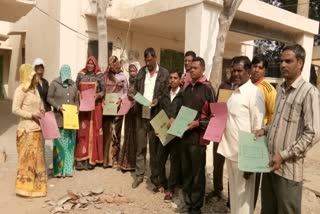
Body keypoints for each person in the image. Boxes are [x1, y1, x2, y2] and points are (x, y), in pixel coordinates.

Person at [255, 44, 320, 214]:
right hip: (269, 166)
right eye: (281, 60)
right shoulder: (281, 89)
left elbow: (312, 133)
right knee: (267, 210)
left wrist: (283, 155)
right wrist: (265, 130)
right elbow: (278, 123)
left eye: (288, 61)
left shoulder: (309, 92)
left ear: (300, 63)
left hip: (288, 171)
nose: (283, 64)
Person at [217, 56, 265, 214]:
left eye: (239, 70)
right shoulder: (234, 92)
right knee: (235, 198)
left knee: (244, 200)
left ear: (249, 71)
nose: (235, 73)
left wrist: (250, 164)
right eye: (233, 70)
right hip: (231, 154)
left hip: (244, 158)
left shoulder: (254, 94)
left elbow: (257, 129)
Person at [177, 57, 216, 214]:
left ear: (203, 70)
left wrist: (198, 123)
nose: (191, 70)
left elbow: (215, 117)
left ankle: (196, 207)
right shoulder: (186, 88)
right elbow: (180, 108)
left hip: (198, 139)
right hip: (184, 137)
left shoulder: (208, 89)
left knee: (197, 174)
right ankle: (188, 202)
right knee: (186, 171)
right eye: (190, 68)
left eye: (195, 68)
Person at [132, 47, 169, 189]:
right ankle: (139, 175)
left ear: (155, 58)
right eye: (146, 60)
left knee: (154, 148)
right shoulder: (141, 72)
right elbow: (135, 89)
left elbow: (167, 92)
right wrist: (135, 96)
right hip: (142, 113)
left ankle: (155, 178)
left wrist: (158, 100)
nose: (148, 63)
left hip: (156, 113)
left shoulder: (164, 73)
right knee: (141, 146)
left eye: (150, 60)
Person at [12, 64, 47, 197]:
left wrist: (42, 109)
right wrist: (31, 115)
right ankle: (24, 189)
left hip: (37, 129)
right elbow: (15, 109)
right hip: (26, 130)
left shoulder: (35, 89)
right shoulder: (21, 90)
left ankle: (37, 189)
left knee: (38, 160)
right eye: (32, 74)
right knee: (26, 160)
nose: (34, 77)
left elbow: (40, 103)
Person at [250, 54, 277, 208]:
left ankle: (251, 207)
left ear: (264, 71)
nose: (256, 70)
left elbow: (274, 114)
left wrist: (264, 130)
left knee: (254, 176)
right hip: (246, 135)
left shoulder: (268, 89)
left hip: (259, 138)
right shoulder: (246, 85)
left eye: (260, 68)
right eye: (254, 66)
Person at [47, 65, 78, 177]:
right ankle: (58, 170)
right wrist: (58, 107)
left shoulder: (73, 84)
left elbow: (76, 100)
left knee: (70, 144)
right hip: (59, 119)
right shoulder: (54, 83)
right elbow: (49, 98)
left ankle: (68, 170)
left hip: (71, 120)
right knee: (59, 144)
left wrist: (77, 109)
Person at [75, 56, 105, 170]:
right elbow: (76, 88)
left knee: (93, 132)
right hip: (83, 108)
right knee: (83, 132)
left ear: (95, 64)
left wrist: (98, 95)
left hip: (95, 108)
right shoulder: (81, 74)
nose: (90, 65)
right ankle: (81, 158)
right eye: (88, 63)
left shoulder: (99, 75)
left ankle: (91, 160)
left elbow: (104, 90)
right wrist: (79, 94)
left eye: (92, 64)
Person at [158, 70, 183, 202]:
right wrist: (157, 126)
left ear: (180, 80)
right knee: (160, 159)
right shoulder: (164, 94)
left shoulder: (183, 95)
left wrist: (175, 120)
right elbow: (159, 111)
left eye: (175, 78)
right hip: (163, 132)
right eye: (171, 78)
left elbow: (184, 113)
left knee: (174, 162)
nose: (172, 80)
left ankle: (171, 189)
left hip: (176, 134)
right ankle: (162, 182)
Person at [103, 56, 128, 168]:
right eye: (111, 64)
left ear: (118, 64)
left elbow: (126, 91)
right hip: (107, 107)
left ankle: (115, 157)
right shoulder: (105, 76)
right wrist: (103, 100)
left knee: (116, 132)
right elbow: (102, 90)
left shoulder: (123, 76)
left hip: (118, 107)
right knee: (107, 131)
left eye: (114, 63)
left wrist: (121, 98)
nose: (113, 66)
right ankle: (106, 159)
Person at [118, 62, 140, 171]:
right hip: (128, 111)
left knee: (135, 136)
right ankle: (125, 163)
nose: (132, 73)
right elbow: (126, 93)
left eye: (134, 70)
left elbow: (141, 95)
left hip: (136, 112)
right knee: (127, 134)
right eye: (130, 70)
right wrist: (122, 99)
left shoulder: (140, 82)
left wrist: (135, 101)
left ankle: (134, 164)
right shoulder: (129, 81)